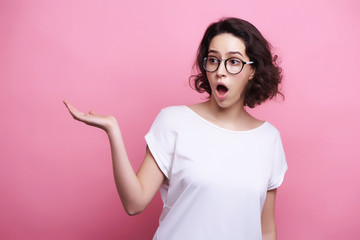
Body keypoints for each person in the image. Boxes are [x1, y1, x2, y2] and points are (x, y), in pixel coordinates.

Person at [64, 17, 288, 240]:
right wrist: (112, 130)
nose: (220, 71)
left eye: (234, 61)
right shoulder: (174, 122)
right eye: (213, 60)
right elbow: (134, 203)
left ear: (252, 71)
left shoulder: (268, 139)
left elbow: (266, 229)